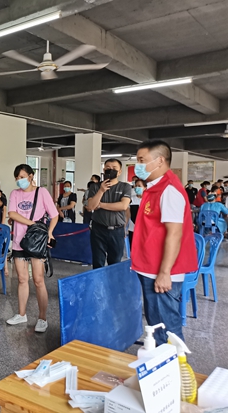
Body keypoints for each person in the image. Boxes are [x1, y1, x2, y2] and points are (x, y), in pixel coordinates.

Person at [132, 140, 198, 345]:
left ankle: (174, 363)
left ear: (159, 161)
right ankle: (161, 360)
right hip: (150, 266)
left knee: (166, 328)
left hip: (160, 271)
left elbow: (175, 234)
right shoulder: (155, 188)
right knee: (156, 323)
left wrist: (165, 272)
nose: (137, 166)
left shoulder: (169, 190)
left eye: (141, 160)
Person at [6, 164, 58, 333]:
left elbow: (54, 215)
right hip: (19, 241)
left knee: (38, 280)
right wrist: (32, 223)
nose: (19, 180)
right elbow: (12, 214)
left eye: (22, 177)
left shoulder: (41, 192)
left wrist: (49, 232)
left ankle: (42, 318)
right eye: (17, 178)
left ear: (30, 176)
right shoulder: (14, 193)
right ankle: (21, 314)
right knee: (22, 279)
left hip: (37, 242)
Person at [87, 159, 132, 269]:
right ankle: (98, 281)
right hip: (98, 229)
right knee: (98, 262)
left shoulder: (125, 187)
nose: (110, 170)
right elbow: (91, 206)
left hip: (117, 230)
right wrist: (101, 191)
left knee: (115, 262)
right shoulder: (95, 187)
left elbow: (123, 206)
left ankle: (113, 281)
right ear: (103, 170)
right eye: (108, 167)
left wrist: (101, 205)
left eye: (114, 168)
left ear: (119, 172)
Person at [128, 179, 146, 246]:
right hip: (132, 229)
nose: (136, 187)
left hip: (145, 230)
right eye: (135, 186)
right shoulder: (131, 199)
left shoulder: (148, 199)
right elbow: (127, 214)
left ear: (145, 187)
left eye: (139, 186)